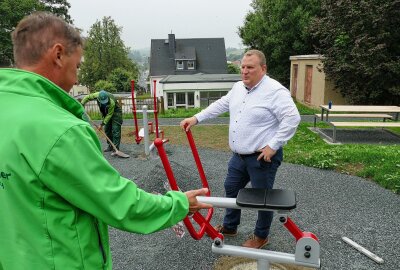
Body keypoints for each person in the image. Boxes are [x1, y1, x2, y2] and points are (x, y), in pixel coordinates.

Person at [0, 12, 211, 269]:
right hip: (58, 261)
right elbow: (119, 202)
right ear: (57, 55)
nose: (77, 78)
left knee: (113, 132)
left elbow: (110, 113)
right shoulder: (61, 131)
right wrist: (178, 204)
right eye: (77, 66)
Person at [180, 49, 301, 249]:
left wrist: (273, 145)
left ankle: (261, 236)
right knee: (231, 188)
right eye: (242, 67)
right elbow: (221, 105)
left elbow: (292, 118)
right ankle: (230, 226)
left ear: (263, 68)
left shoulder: (275, 91)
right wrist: (196, 118)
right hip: (239, 156)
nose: (244, 71)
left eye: (250, 67)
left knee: (264, 198)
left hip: (262, 157)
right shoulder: (238, 87)